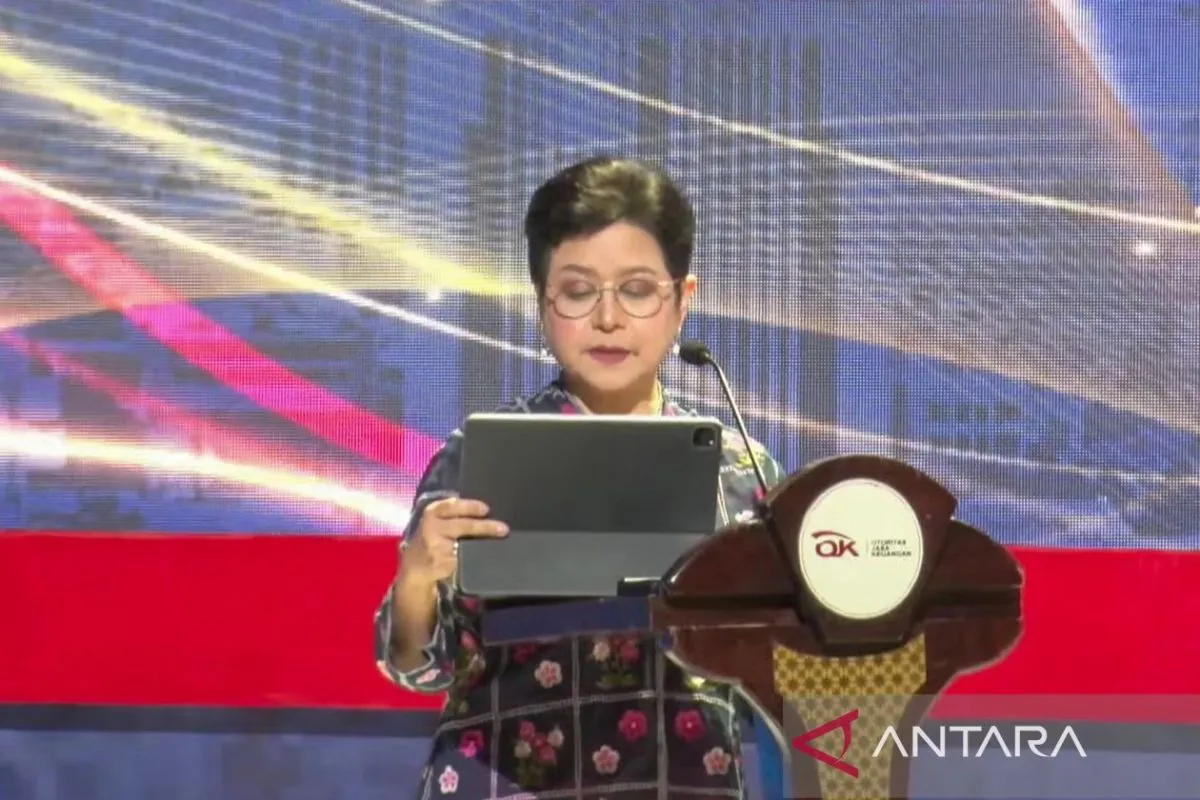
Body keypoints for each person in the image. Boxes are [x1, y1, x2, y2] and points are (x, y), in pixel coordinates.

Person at [374, 156, 788, 800]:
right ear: (542, 304)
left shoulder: (742, 471)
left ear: (683, 301)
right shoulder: (479, 456)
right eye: (577, 291)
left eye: (637, 290)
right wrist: (417, 577)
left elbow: (785, 673)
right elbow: (417, 668)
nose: (608, 318)